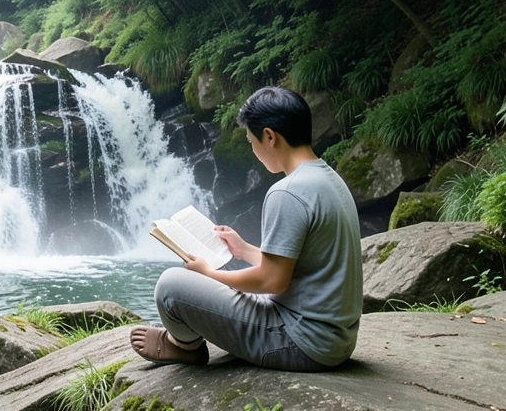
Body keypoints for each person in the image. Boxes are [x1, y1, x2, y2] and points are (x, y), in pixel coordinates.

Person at [130, 86, 362, 371]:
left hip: (300, 341)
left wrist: (209, 273)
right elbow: (298, 266)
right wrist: (243, 249)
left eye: (252, 140)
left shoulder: (287, 192)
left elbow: (272, 281)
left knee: (170, 286)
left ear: (269, 136)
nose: (252, 149)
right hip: (334, 339)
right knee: (225, 279)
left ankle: (185, 346)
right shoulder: (327, 178)